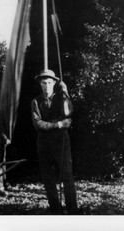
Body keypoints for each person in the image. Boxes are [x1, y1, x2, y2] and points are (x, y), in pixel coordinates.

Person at [31, 69, 77, 214]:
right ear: (40, 84)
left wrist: (66, 91)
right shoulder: (36, 102)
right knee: (48, 178)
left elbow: (68, 115)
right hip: (44, 143)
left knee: (67, 176)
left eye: (49, 82)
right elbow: (38, 124)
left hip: (61, 141)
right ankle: (55, 210)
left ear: (54, 83)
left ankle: (72, 210)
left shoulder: (61, 98)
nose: (46, 86)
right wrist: (56, 125)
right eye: (43, 83)